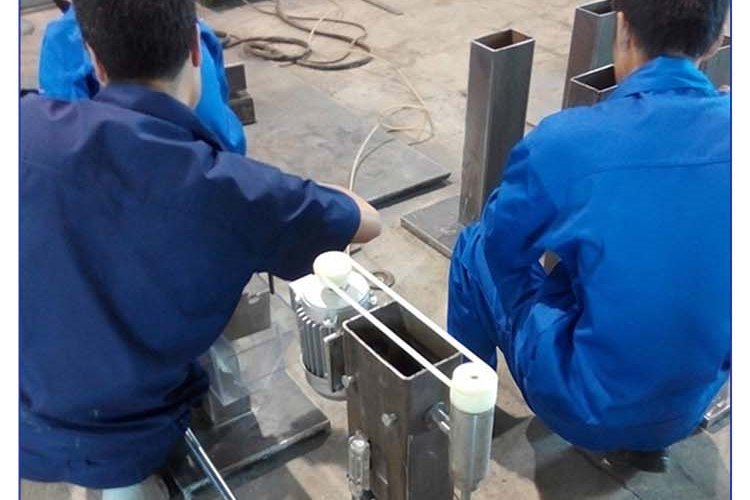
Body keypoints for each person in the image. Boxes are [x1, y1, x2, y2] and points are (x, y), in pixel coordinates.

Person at [20, 0, 381, 497]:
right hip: (127, 440)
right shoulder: (233, 190)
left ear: (94, 61)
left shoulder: (24, 123)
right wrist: (292, 192)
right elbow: (366, 221)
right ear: (196, 48)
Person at [447, 0, 730, 464]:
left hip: (583, 412)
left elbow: (502, 250)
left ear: (622, 28)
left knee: (472, 246)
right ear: (718, 39)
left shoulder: (566, 142)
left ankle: (467, 406)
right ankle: (649, 426)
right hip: (687, 410)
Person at [38, 0, 248, 155]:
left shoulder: (63, 43)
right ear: (194, 48)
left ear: (97, 62)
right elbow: (229, 141)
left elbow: (65, 144)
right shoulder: (196, 31)